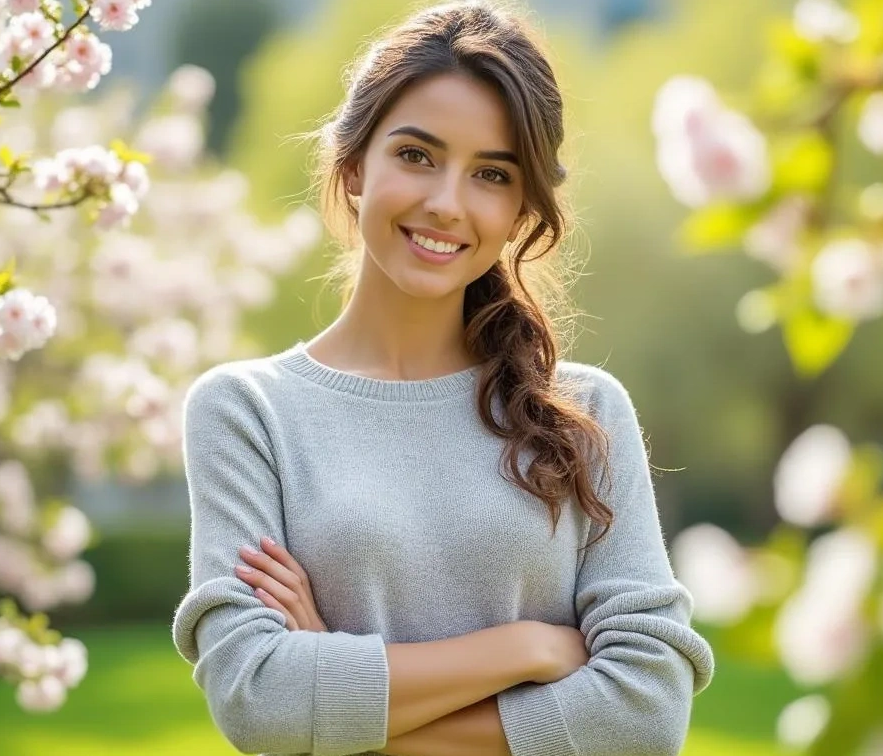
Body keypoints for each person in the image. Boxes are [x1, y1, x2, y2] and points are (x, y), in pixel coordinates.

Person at [171, 2, 715, 754]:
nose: (446, 204)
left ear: (522, 208)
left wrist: (344, 709)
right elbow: (258, 699)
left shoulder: (585, 414)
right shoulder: (248, 412)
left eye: (491, 174)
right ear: (355, 162)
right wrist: (525, 648)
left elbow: (649, 712)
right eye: (417, 155)